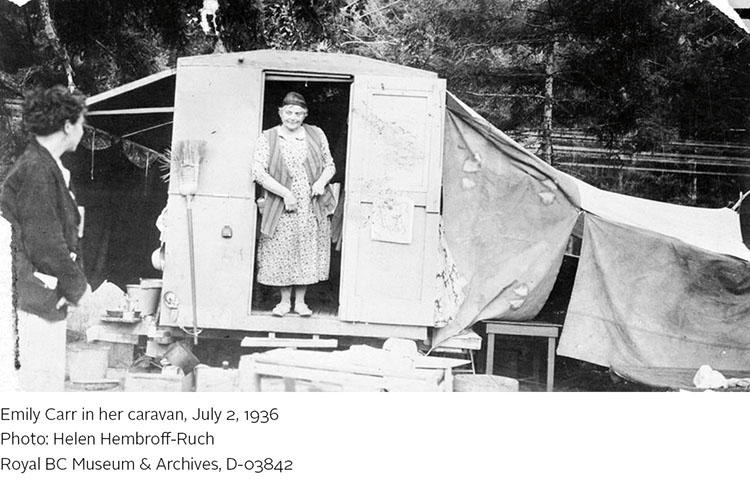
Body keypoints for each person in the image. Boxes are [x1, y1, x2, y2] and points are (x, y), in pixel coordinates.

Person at [1, 85, 90, 391]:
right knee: (38, 387)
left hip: (38, 293)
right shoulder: (37, 169)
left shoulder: (46, 167)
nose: (82, 130)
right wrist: (75, 284)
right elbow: (46, 241)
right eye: (81, 123)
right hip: (29, 298)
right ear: (67, 126)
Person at [253, 91, 336, 317]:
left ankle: (300, 302)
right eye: (288, 112)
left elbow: (330, 165)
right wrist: (285, 194)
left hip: (311, 203)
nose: (293, 117)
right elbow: (258, 172)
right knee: (283, 249)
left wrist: (320, 183)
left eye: (298, 113)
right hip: (280, 204)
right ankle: (283, 302)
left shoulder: (316, 134)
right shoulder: (268, 137)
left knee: (306, 249)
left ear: (305, 114)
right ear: (280, 112)